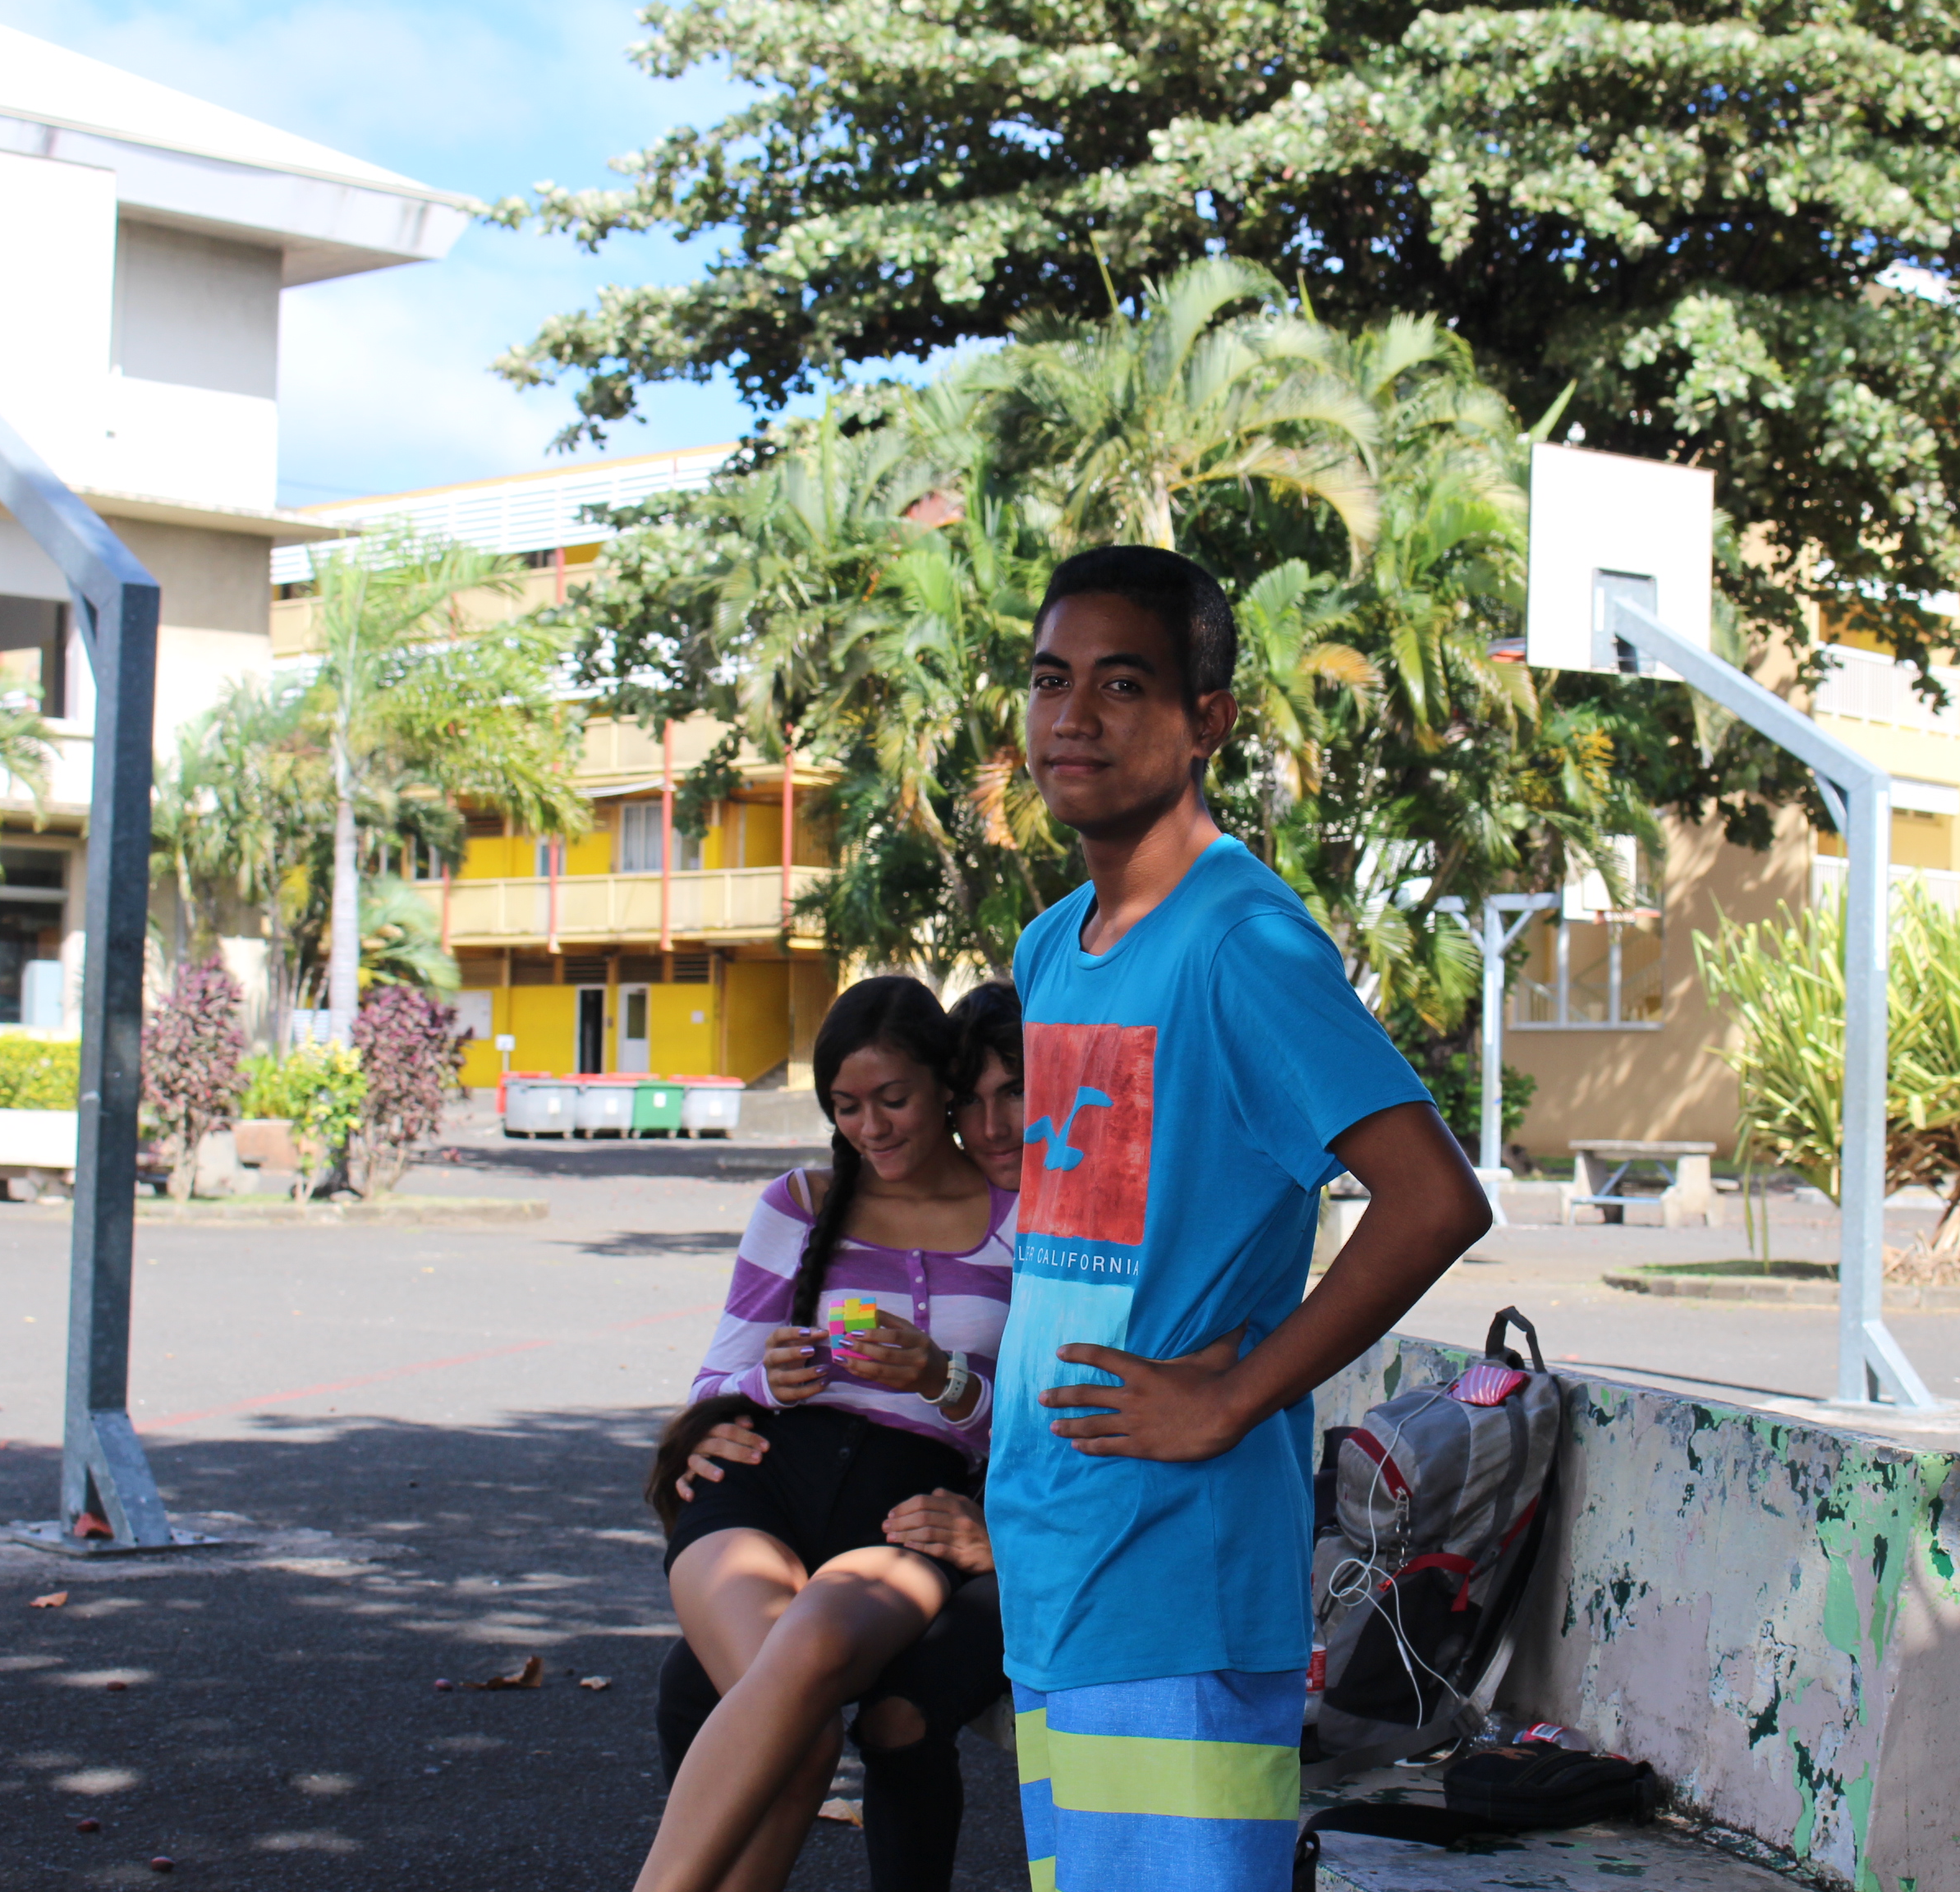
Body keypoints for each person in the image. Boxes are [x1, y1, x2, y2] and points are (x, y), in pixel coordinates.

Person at [991, 545, 1494, 1890]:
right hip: (1057, 1554)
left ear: (1207, 718)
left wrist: (1233, 1395)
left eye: (1122, 682)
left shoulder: (1242, 940)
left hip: (1180, 1575)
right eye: (1050, 679)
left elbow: (1434, 1196)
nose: (1072, 716)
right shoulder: (1053, 945)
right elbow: (1104, 1241)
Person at [633, 975, 1016, 1892]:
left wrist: (942, 1378)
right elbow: (718, 1374)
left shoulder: (1019, 1224)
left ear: (940, 1084)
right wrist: (764, 1380)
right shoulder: (801, 1204)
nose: (872, 1129)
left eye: (894, 1100)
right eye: (846, 1107)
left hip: (902, 1505)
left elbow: (1035, 1420)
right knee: (796, 1732)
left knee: (803, 1672)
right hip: (763, 1480)